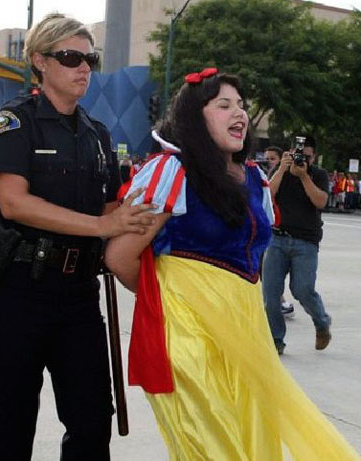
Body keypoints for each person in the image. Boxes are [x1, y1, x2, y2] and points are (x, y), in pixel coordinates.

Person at [105, 69, 360, 461]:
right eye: (223, 105)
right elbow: (120, 257)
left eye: (241, 105)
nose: (238, 113)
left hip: (247, 332)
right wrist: (175, 297)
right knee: (213, 447)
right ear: (195, 116)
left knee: (253, 445)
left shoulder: (256, 178)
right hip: (189, 337)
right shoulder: (172, 172)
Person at [0, 13, 156, 461]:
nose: (84, 67)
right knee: (9, 431)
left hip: (77, 297)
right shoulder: (14, 122)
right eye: (71, 56)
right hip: (14, 295)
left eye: (89, 57)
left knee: (93, 424)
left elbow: (108, 208)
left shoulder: (97, 133)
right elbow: (13, 202)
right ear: (40, 61)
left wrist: (155, 205)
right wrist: (101, 226)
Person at [262, 138, 332, 355]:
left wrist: (303, 176)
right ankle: (276, 339)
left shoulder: (318, 174)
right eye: (300, 154)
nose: (303, 159)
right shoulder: (279, 171)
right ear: (290, 152)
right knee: (270, 293)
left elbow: (320, 201)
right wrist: (282, 169)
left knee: (302, 290)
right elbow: (267, 195)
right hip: (277, 239)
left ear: (314, 157)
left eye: (308, 156)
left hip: (306, 241)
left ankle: (321, 322)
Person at [264, 145, 295, 317]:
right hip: (266, 228)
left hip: (280, 231)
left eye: (272, 158)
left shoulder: (288, 174)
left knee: (274, 271)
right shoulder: (266, 174)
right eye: (267, 158)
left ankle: (280, 301)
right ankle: (275, 301)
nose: (269, 162)